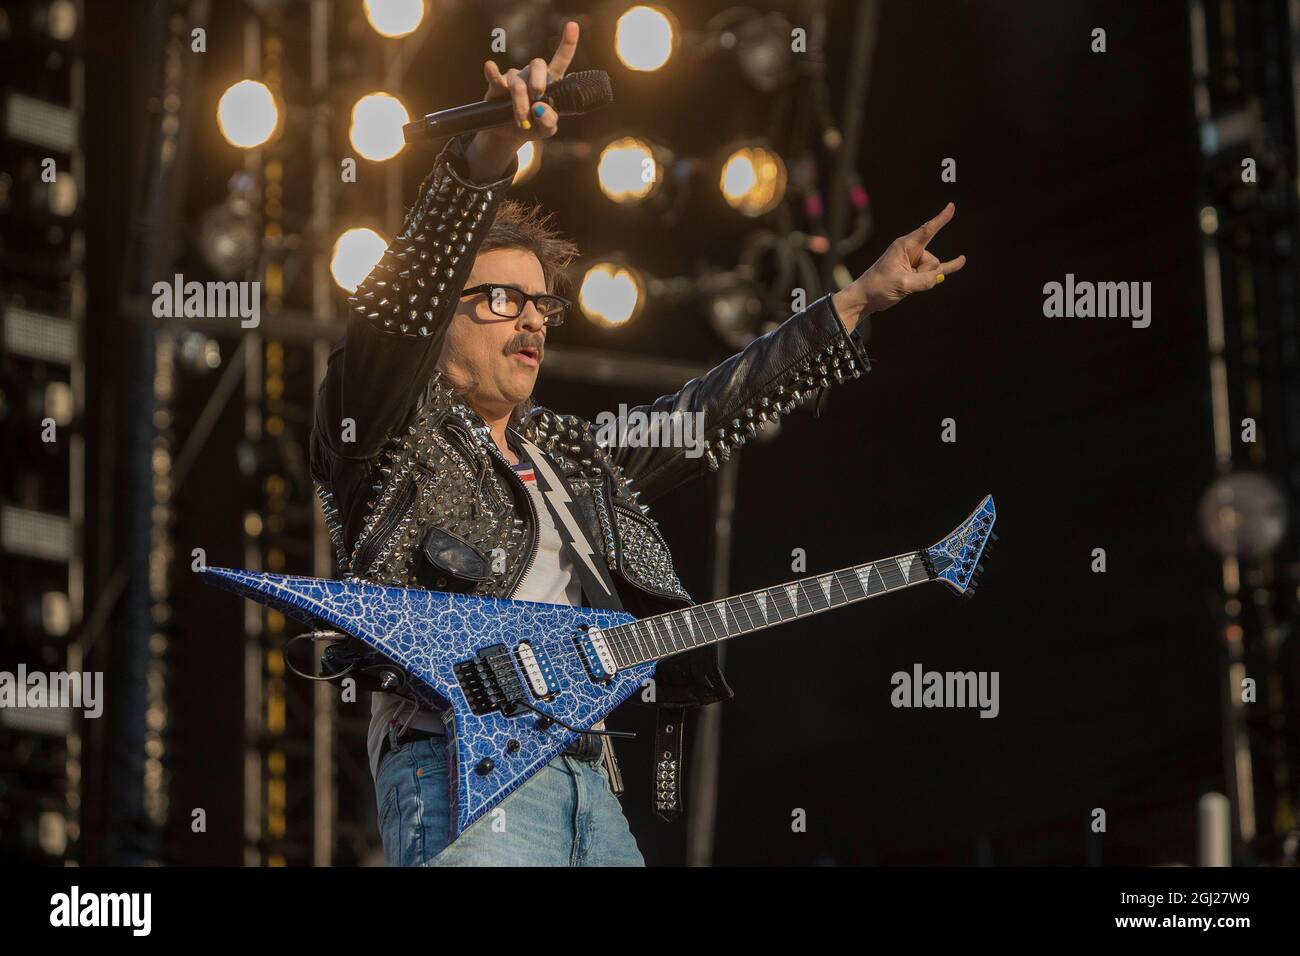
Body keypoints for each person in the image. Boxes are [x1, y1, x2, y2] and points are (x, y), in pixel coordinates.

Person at [309, 21, 965, 866]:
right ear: (442, 312)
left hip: (593, 783)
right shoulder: (388, 427)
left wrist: (853, 302)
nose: (533, 322)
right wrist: (481, 165)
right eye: (505, 300)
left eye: (543, 305)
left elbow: (712, 409)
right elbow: (392, 316)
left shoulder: (575, 458)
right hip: (463, 767)